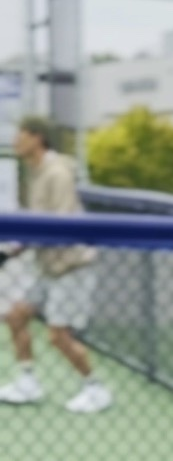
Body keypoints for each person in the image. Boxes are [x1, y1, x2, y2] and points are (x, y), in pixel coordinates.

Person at [0, 116, 112, 413]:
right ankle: (27, 381)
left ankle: (95, 387)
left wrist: (15, 249)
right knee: (15, 316)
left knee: (58, 335)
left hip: (71, 266)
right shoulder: (36, 172)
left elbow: (59, 226)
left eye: (20, 135)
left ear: (37, 138)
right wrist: (10, 251)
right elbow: (37, 222)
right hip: (48, 266)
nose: (15, 142)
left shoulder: (57, 173)